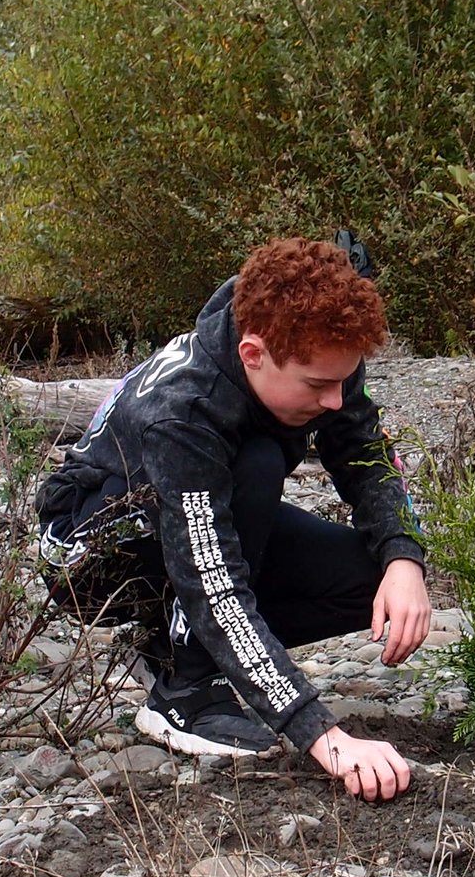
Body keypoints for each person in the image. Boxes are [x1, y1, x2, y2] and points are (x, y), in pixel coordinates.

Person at [35, 234, 430, 801]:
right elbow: (212, 582)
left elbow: (364, 453)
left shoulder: (319, 350)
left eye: (345, 379)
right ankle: (185, 692)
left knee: (372, 580)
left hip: (200, 515)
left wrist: (403, 556)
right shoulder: (185, 412)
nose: (336, 399)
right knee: (258, 464)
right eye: (319, 386)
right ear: (252, 354)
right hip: (90, 554)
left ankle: (162, 644)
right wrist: (323, 736)